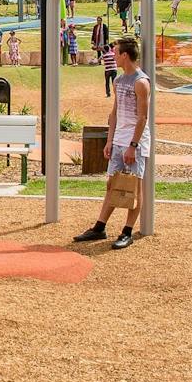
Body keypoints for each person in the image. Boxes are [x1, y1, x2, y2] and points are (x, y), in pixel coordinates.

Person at [73, 37, 150, 250]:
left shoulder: (141, 82)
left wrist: (133, 146)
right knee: (112, 184)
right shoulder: (118, 81)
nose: (112, 56)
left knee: (134, 187)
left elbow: (142, 118)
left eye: (116, 53)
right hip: (118, 140)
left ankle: (127, 231)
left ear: (125, 55)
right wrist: (110, 140)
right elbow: (115, 112)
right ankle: (100, 227)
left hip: (135, 142)